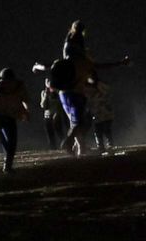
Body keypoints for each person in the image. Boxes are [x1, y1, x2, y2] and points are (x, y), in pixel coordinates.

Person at [32, 20, 131, 155]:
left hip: (63, 95)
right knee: (79, 122)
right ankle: (69, 142)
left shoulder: (62, 62)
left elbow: (45, 66)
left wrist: (36, 66)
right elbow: (102, 66)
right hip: (76, 95)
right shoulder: (85, 63)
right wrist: (121, 63)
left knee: (75, 123)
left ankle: (80, 148)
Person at [86, 77, 115, 153]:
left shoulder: (101, 86)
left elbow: (107, 91)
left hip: (105, 112)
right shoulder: (89, 90)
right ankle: (100, 146)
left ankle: (109, 144)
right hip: (97, 113)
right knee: (98, 130)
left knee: (106, 129)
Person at [39, 78, 65, 150]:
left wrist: (58, 113)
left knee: (60, 132)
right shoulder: (44, 92)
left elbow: (61, 104)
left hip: (56, 115)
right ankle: (53, 148)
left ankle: (65, 146)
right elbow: (42, 105)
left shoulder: (58, 92)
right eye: (47, 82)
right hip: (47, 115)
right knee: (50, 134)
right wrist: (45, 96)